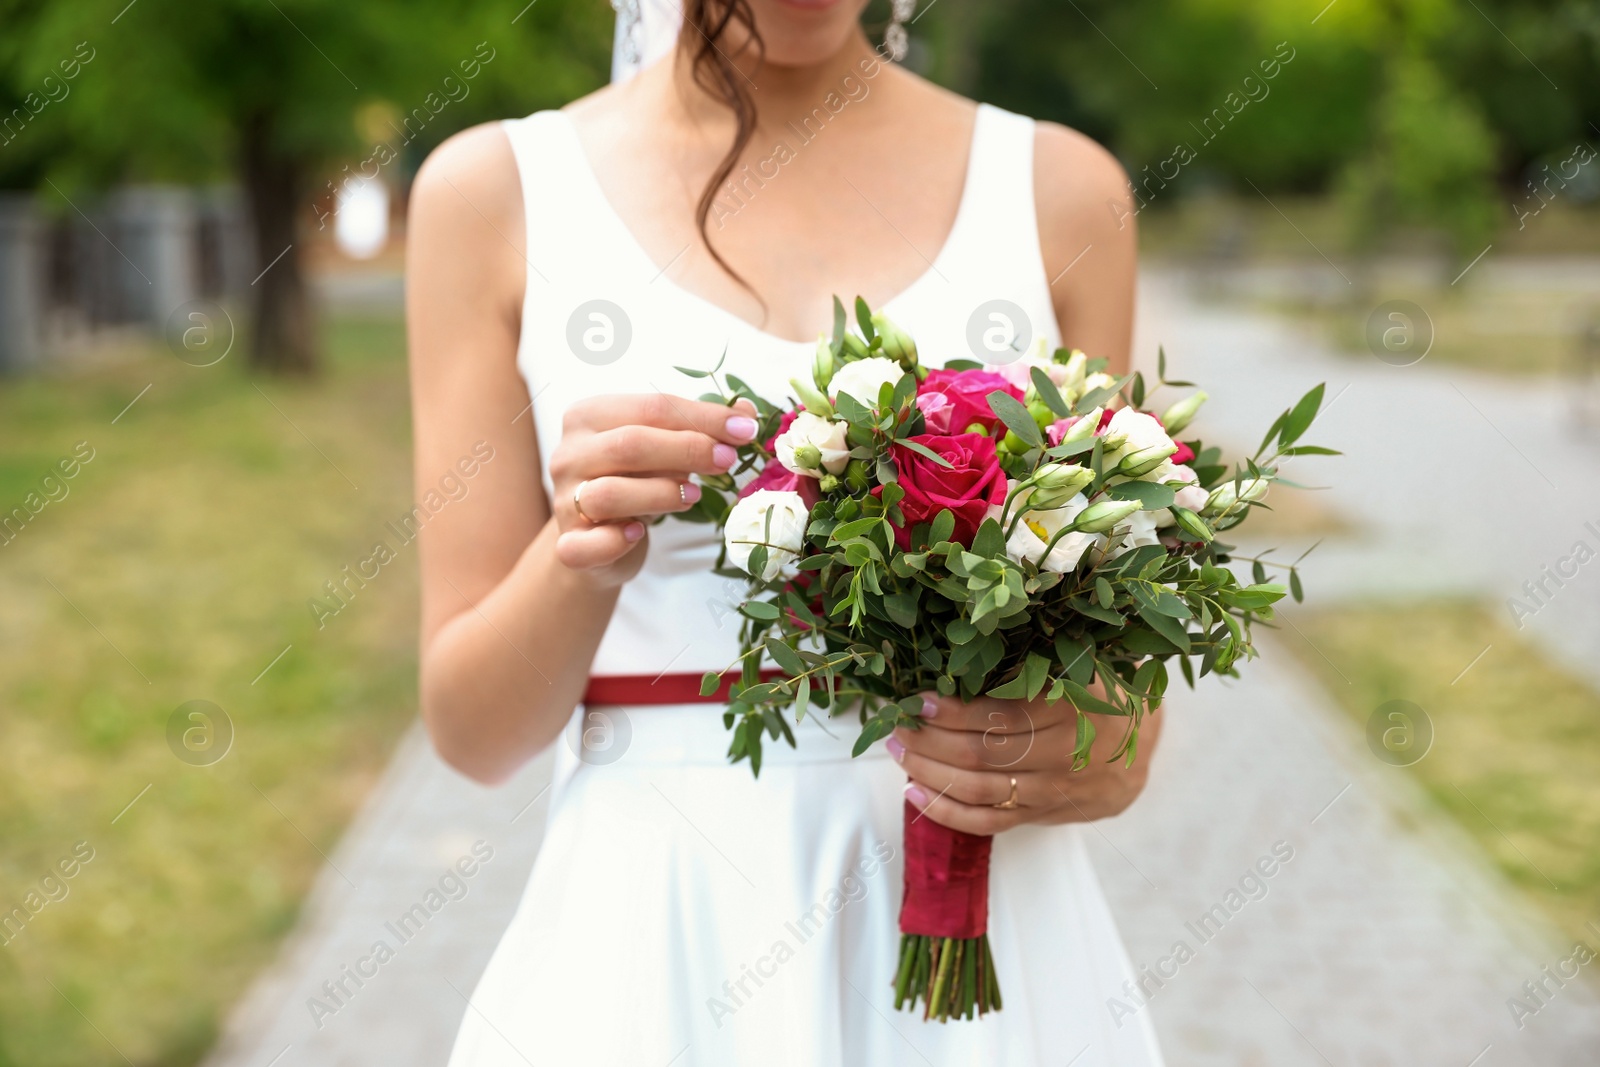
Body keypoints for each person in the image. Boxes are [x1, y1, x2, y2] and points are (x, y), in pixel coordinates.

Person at [406, 1, 1164, 1062]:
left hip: (985, 931)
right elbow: (472, 731)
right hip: (660, 939)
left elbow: (1116, 676)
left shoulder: (1060, 189)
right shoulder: (493, 195)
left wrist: (1113, 744)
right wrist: (576, 557)